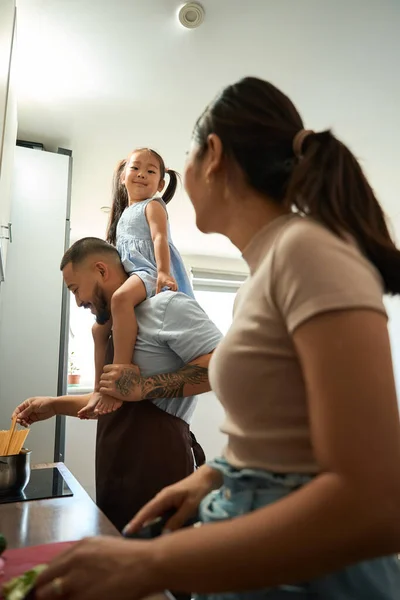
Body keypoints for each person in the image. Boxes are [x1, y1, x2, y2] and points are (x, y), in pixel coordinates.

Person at [33, 76, 400, 600]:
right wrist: (212, 476)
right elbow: (283, 437)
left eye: (182, 156)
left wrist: (151, 563)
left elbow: (377, 506)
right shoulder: (261, 278)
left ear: (214, 156)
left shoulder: (310, 255)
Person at [14, 237, 222, 531]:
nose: (78, 301)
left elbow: (222, 365)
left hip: (159, 471)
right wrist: (53, 404)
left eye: (76, 289)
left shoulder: (166, 306)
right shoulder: (111, 328)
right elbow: (111, 398)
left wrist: (143, 388)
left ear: (101, 269)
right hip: (114, 471)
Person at [83, 148, 194, 417]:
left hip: (150, 271)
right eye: (135, 168)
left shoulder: (153, 206)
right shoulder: (121, 217)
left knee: (120, 299)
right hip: (134, 275)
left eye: (151, 171)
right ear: (123, 176)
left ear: (161, 183)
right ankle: (100, 386)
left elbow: (159, 238)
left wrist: (164, 272)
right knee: (99, 331)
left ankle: (121, 373)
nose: (142, 174)